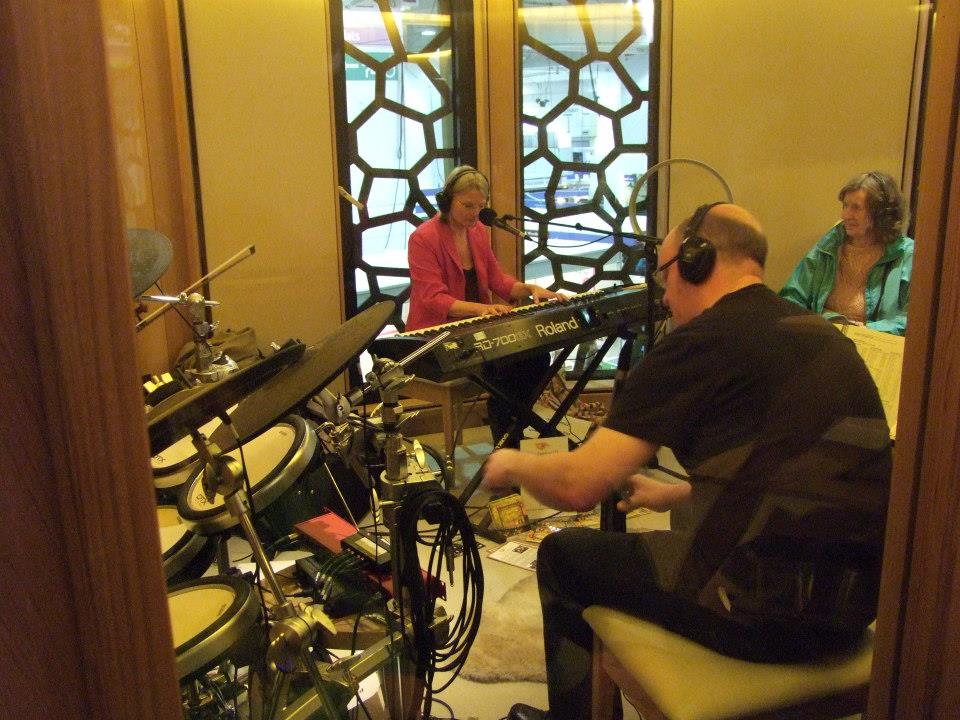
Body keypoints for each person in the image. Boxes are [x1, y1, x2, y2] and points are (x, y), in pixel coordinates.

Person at [483, 203, 892, 720]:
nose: (665, 296)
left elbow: (578, 487)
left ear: (695, 262)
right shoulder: (820, 334)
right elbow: (790, 470)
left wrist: (510, 463)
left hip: (764, 619)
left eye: (665, 275)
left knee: (565, 556)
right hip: (854, 610)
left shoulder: (700, 342)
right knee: (677, 525)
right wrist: (676, 492)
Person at [407, 165, 565, 444]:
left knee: (536, 356)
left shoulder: (478, 231)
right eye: (467, 205)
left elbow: (497, 280)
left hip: (475, 331)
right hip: (435, 338)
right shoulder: (423, 238)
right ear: (447, 201)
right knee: (505, 369)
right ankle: (507, 438)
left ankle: (510, 431)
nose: (475, 213)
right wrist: (483, 309)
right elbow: (433, 298)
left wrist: (529, 289)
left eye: (480, 206)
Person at [779, 170, 913, 335]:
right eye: (845, 206)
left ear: (880, 214)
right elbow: (791, 298)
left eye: (856, 208)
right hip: (824, 338)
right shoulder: (829, 245)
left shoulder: (906, 254)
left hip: (874, 344)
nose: (845, 215)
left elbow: (913, 319)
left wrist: (867, 331)